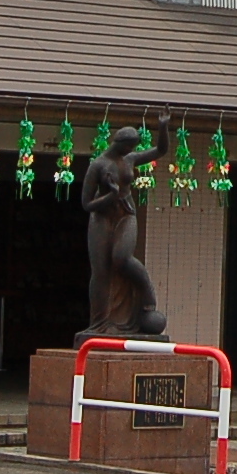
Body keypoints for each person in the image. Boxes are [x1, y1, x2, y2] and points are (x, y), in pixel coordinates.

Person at [80, 125, 168, 338]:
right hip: (102, 218)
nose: (131, 150)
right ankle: (99, 322)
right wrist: (110, 196)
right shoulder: (98, 165)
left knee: (122, 258)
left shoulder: (129, 160)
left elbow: (160, 151)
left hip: (126, 214)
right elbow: (86, 203)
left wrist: (163, 126)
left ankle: (147, 293)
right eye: (130, 146)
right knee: (101, 271)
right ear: (120, 143)